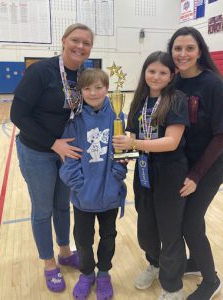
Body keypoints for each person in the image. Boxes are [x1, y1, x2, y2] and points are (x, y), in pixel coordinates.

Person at [10, 23, 94, 293]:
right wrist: (52, 143)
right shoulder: (41, 71)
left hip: (67, 152)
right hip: (37, 150)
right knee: (43, 209)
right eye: (75, 40)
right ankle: (49, 264)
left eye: (86, 43)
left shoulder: (84, 74)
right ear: (63, 40)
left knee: (62, 205)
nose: (80, 47)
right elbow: (18, 115)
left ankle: (65, 252)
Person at [113, 51, 190, 300]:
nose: (156, 76)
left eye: (162, 72)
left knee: (169, 230)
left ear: (171, 75)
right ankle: (154, 264)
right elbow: (132, 133)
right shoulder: (139, 100)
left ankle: (172, 285)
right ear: (144, 72)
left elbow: (171, 142)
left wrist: (134, 143)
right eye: (151, 71)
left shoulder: (177, 99)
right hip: (144, 170)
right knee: (146, 227)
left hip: (170, 172)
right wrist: (124, 149)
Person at [168, 27, 223, 300]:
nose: (183, 54)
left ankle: (211, 280)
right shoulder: (174, 82)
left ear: (199, 52)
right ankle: (195, 261)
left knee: (190, 222)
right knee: (185, 220)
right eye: (177, 48)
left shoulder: (214, 84)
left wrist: (196, 174)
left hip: (206, 168)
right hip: (183, 165)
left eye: (189, 48)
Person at [59, 68, 127, 300]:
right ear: (81, 91)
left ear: (107, 88)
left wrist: (117, 176)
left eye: (99, 87)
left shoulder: (118, 116)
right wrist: (79, 185)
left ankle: (104, 274)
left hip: (110, 194)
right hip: (83, 197)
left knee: (108, 236)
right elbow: (68, 158)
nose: (93, 92)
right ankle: (87, 275)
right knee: (83, 240)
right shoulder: (74, 119)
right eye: (87, 88)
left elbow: (123, 154)